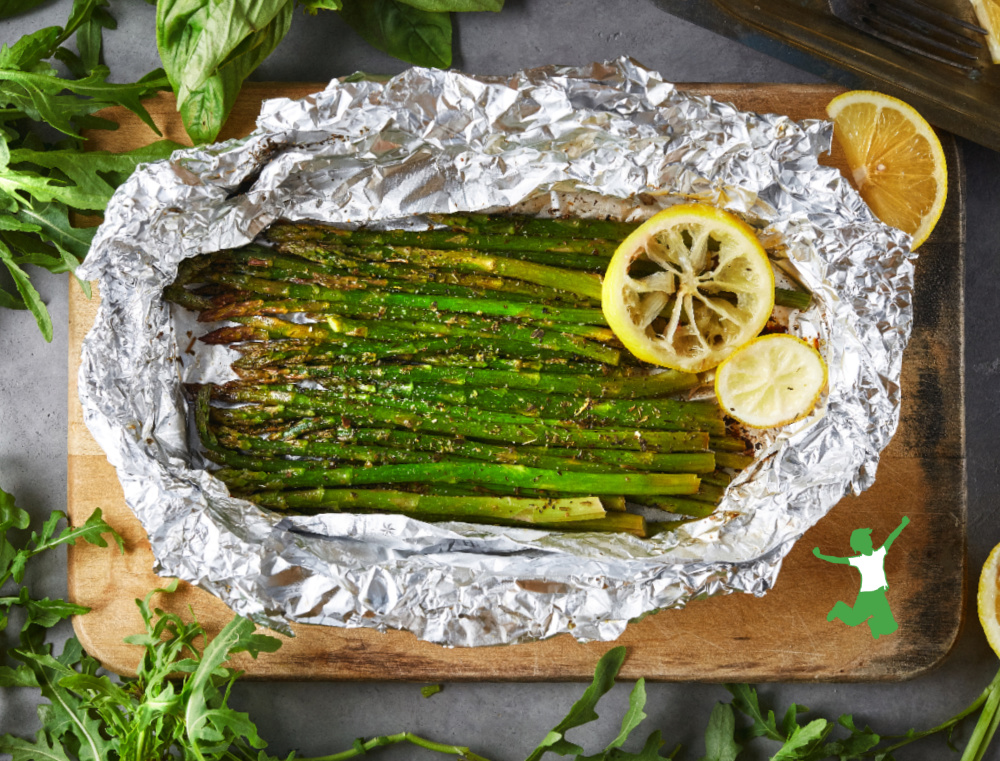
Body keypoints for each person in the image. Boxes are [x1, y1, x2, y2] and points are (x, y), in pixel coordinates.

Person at [812, 516, 909, 639]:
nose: (868, 541)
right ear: (859, 545)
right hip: (867, 596)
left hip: (879, 594)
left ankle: (874, 624)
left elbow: (891, 538)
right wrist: (820, 555)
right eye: (864, 540)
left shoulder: (879, 553)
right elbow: (838, 560)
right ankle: (839, 608)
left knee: (891, 626)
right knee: (853, 620)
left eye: (868, 538)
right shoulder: (859, 560)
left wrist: (902, 524)